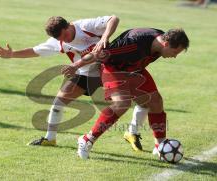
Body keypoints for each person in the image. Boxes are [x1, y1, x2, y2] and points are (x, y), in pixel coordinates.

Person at [0, 15, 148, 149]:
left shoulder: (86, 26)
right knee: (58, 102)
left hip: (108, 68)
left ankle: (132, 132)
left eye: (64, 36)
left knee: (142, 100)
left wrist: (105, 38)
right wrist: (12, 54)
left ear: (69, 26)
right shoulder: (58, 41)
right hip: (84, 74)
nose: (64, 40)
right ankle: (50, 139)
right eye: (60, 39)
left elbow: (113, 19)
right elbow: (35, 51)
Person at [62, 27, 189, 159]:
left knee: (155, 101)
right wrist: (75, 66)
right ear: (166, 44)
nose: (174, 56)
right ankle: (87, 140)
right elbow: (99, 53)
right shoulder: (133, 43)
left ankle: (160, 145)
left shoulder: (161, 40)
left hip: (135, 69)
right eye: (175, 52)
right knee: (122, 103)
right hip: (113, 68)